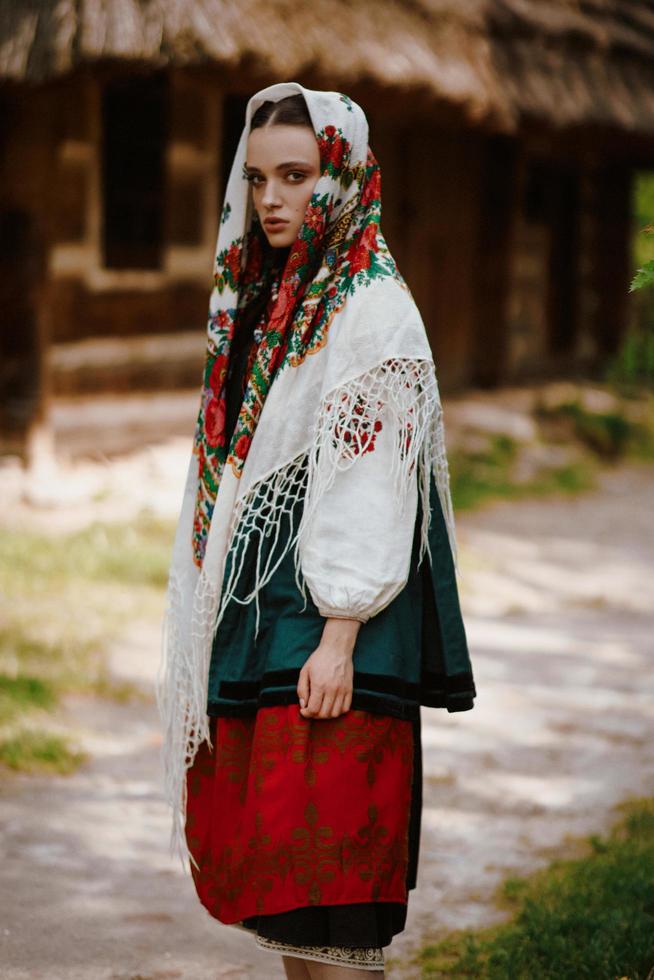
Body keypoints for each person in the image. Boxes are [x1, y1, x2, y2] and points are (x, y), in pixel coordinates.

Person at [157, 82, 477, 978]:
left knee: (339, 906)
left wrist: (339, 633)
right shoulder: (282, 301)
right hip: (278, 621)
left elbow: (376, 482)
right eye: (258, 179)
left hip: (340, 634)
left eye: (295, 176)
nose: (270, 199)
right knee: (293, 911)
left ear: (338, 175)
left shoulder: (372, 307)